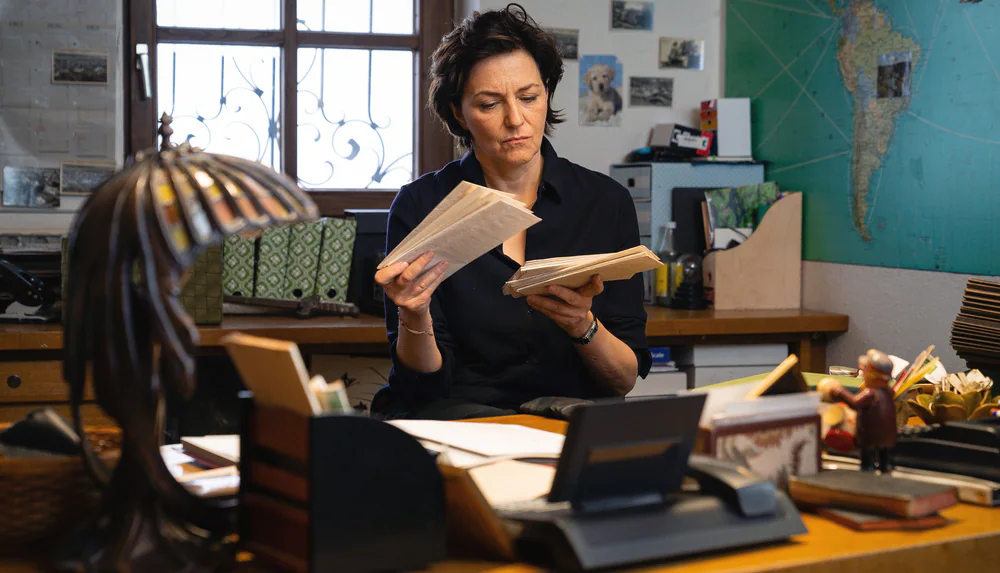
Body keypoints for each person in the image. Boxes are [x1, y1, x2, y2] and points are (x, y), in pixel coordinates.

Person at [371, 3, 651, 420]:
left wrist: (581, 325)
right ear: (458, 113)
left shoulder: (604, 202)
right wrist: (414, 312)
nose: (516, 119)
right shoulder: (420, 204)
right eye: (489, 104)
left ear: (547, 94)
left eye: (529, 97)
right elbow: (423, 383)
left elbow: (622, 380)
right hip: (458, 422)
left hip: (562, 425)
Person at [818, 349, 897, 472]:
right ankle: (885, 466)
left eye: (864, 370)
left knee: (867, 453)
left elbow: (855, 403)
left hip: (870, 433)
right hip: (887, 434)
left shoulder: (870, 393)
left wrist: (838, 390)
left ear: (873, 375)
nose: (863, 374)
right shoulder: (888, 392)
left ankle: (867, 468)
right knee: (884, 453)